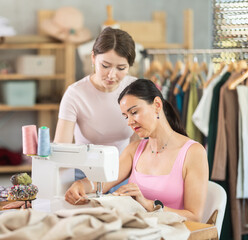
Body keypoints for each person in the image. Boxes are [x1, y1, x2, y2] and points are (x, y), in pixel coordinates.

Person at [65, 79, 209, 222]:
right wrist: (81, 185)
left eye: (134, 112)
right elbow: (103, 182)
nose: (129, 122)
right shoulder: (134, 150)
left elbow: (194, 217)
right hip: (138, 232)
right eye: (126, 116)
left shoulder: (193, 152)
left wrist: (147, 204)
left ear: (157, 105)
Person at [54, 27, 137, 190]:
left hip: (123, 172)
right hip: (83, 174)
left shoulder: (136, 90)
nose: (111, 75)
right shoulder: (75, 94)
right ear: (93, 57)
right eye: (105, 65)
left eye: (121, 68)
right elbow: (60, 148)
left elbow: (138, 145)